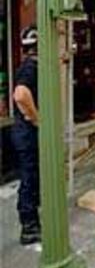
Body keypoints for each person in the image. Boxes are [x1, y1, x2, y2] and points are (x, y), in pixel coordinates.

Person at [11, 26, 40, 245]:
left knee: (32, 175)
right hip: (27, 133)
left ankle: (32, 219)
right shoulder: (30, 67)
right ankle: (29, 227)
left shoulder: (30, 65)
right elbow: (20, 95)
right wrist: (36, 118)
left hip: (24, 133)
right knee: (29, 178)